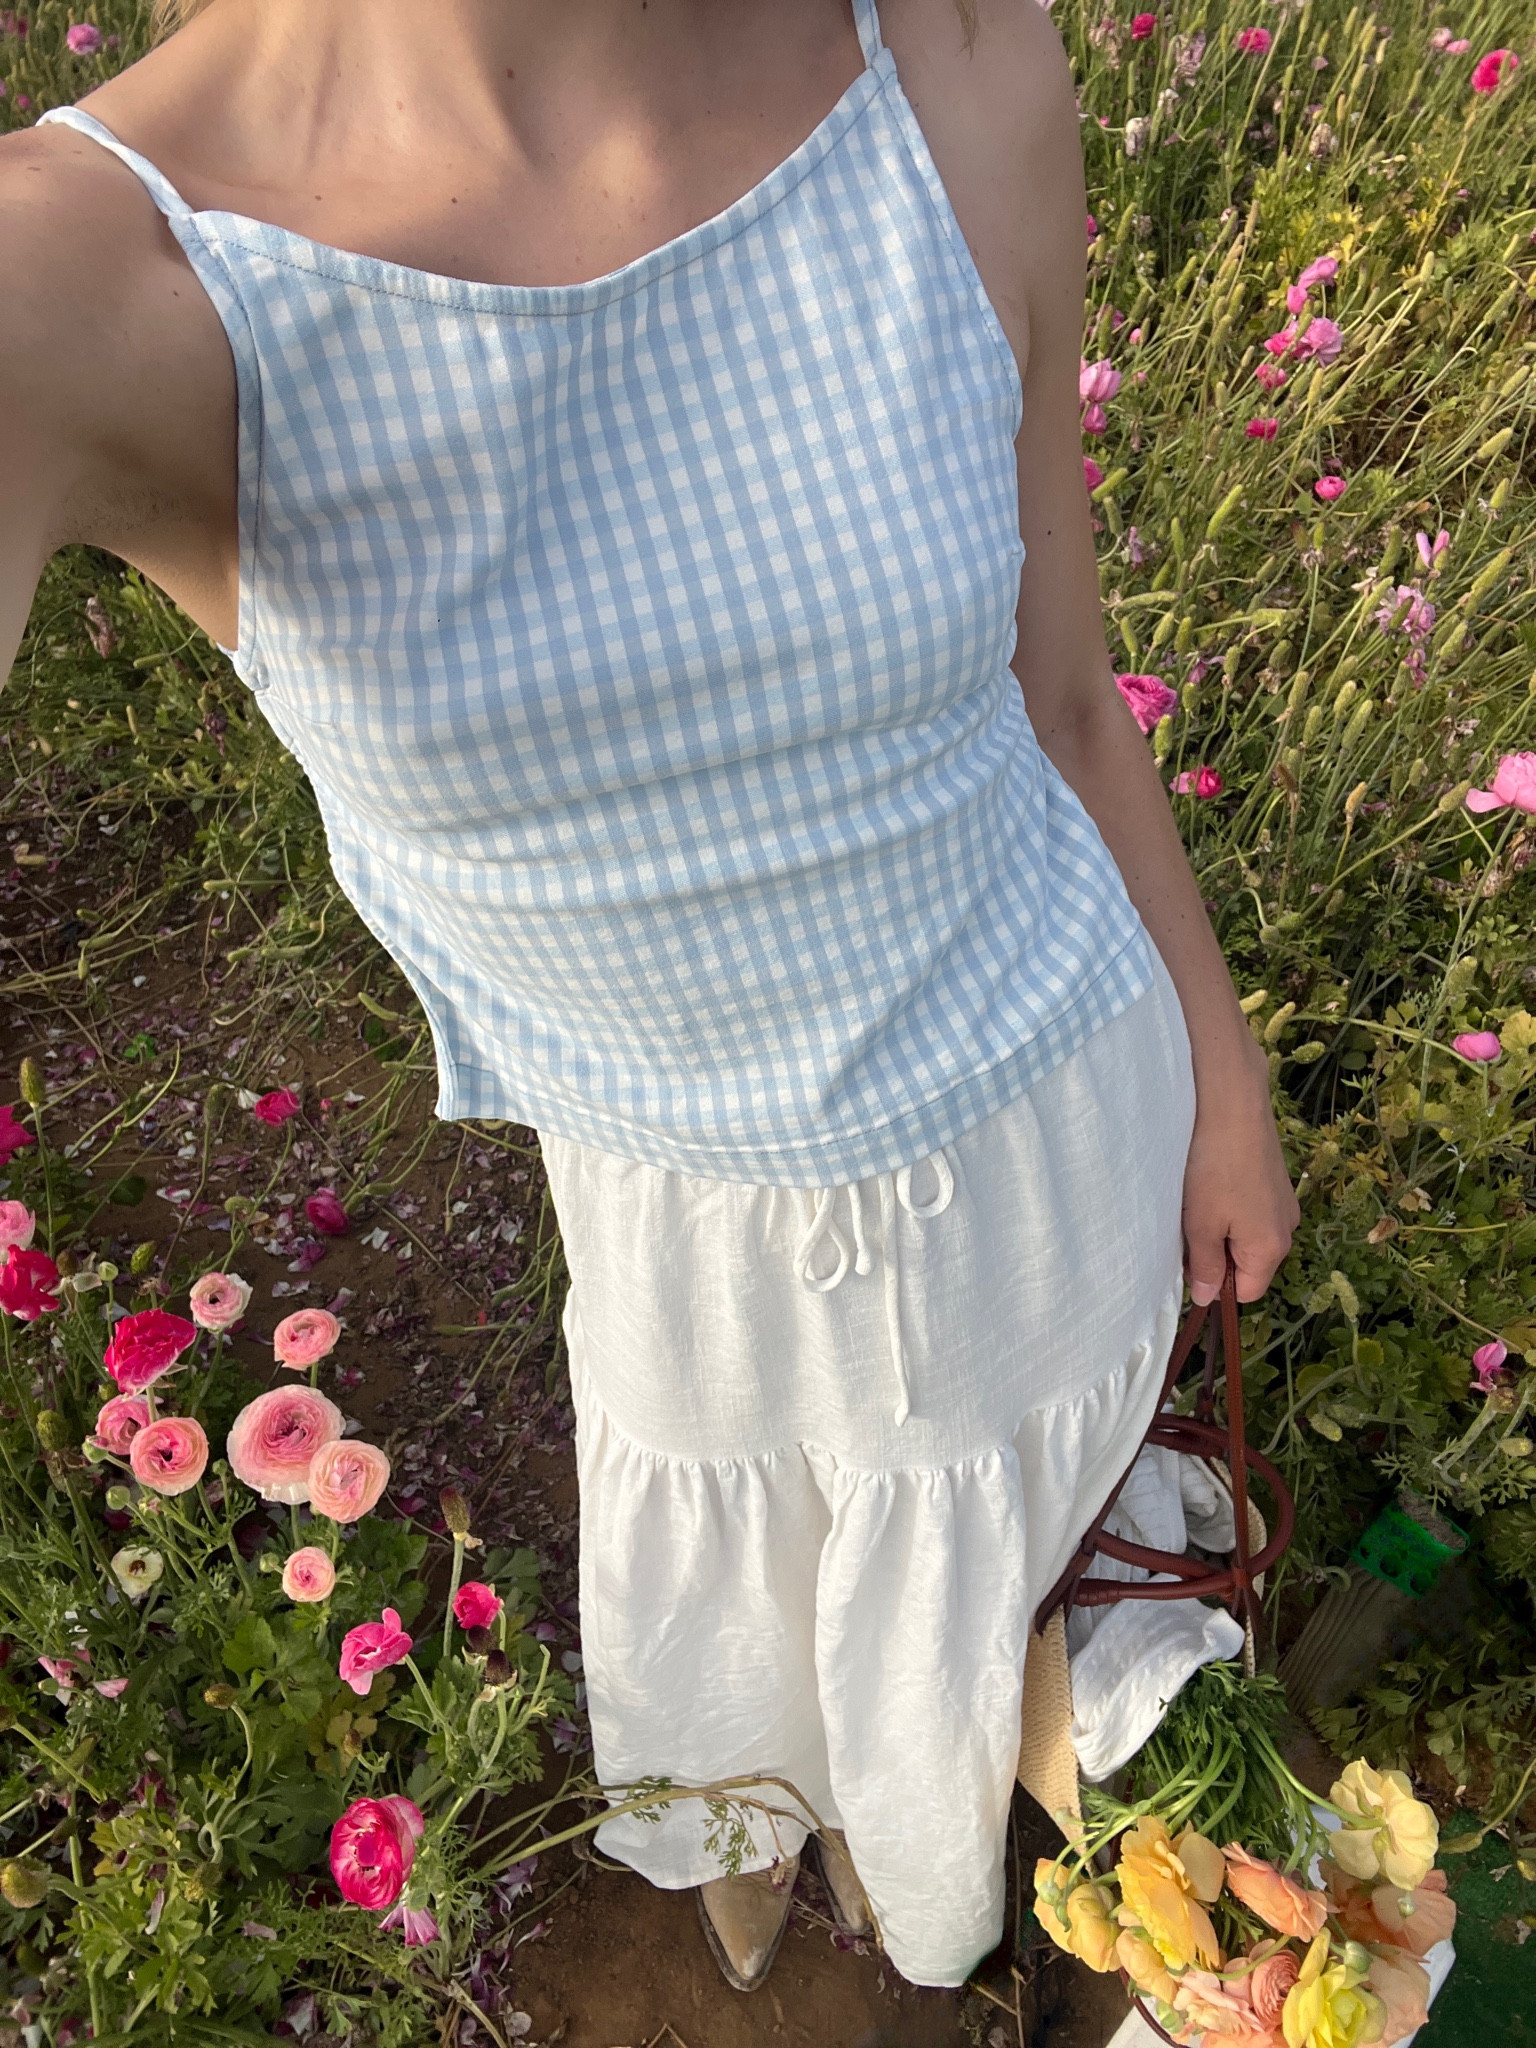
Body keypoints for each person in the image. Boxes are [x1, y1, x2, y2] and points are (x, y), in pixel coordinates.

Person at [0, 0, 1299, 1995]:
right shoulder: (101, 274)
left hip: (1062, 1146)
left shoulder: (952, 61)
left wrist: (1220, 1069)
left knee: (1021, 1619)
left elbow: (1060, 691)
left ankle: (926, 1886)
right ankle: (804, 1871)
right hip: (694, 1261)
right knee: (755, 1666)